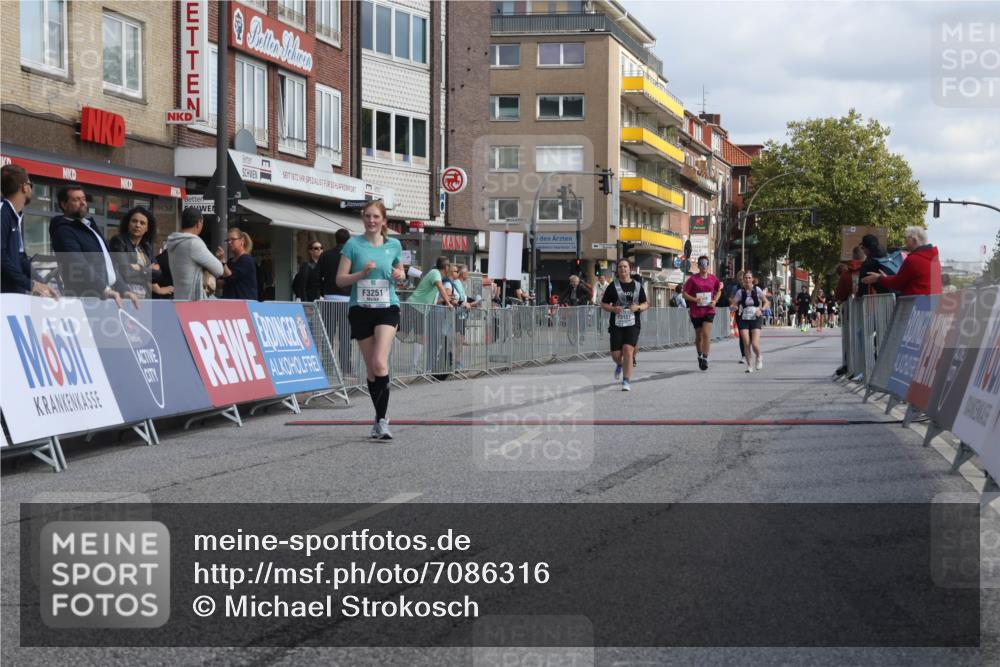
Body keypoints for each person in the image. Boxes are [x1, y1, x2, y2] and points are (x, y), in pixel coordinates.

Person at [336, 200, 405, 440]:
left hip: (387, 307)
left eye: (376, 217)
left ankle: (383, 421)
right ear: (363, 219)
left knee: (379, 362)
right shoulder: (352, 245)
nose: (371, 221)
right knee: (371, 369)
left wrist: (400, 274)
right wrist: (362, 274)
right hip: (361, 309)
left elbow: (401, 273)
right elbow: (340, 280)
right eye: (367, 216)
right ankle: (379, 419)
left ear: (384, 220)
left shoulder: (394, 245)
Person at [50, 184, 137, 307]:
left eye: (83, 199)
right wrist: (104, 289)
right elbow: (78, 264)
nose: (82, 203)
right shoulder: (63, 231)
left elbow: (109, 263)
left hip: (106, 296)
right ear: (64, 205)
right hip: (87, 299)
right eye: (76, 200)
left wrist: (123, 289)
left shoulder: (89, 226)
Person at [1, 164, 55, 296]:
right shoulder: (3, 212)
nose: (31, 189)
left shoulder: (14, 215)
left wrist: (41, 283)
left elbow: (20, 258)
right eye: (31, 185)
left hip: (13, 295)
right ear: (25, 187)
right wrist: (30, 284)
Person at [601, 258, 648, 391]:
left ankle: (626, 381)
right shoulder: (612, 286)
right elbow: (603, 304)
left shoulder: (637, 286)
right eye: (620, 267)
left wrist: (638, 307)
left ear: (630, 269)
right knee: (616, 355)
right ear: (618, 270)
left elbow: (646, 303)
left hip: (633, 323)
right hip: (616, 323)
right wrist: (613, 309)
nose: (623, 269)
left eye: (625, 267)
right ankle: (620, 365)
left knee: (627, 349)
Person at [860, 226, 942, 296]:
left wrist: (879, 278)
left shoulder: (913, 260)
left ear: (914, 240)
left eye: (906, 238)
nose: (905, 242)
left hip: (914, 306)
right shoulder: (935, 260)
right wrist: (886, 278)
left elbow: (897, 283)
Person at [166, 207, 225, 301]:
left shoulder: (173, 242)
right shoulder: (193, 243)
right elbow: (219, 270)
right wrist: (220, 259)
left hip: (179, 299)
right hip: (194, 302)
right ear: (199, 223)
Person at [405, 256, 454, 369]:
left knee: (420, 338)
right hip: (414, 306)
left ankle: (414, 365)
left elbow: (435, 295)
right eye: (449, 266)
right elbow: (440, 287)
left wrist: (446, 301)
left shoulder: (436, 274)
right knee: (401, 335)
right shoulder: (435, 273)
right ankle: (386, 356)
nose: (450, 269)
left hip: (421, 309)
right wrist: (448, 302)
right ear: (446, 267)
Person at [682, 256, 723, 370]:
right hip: (696, 311)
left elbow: (719, 290)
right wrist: (695, 299)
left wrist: (715, 301)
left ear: (708, 265)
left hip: (709, 310)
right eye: (701, 264)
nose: (704, 267)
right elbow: (684, 294)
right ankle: (699, 355)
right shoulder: (693, 279)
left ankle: (705, 358)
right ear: (699, 266)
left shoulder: (713, 279)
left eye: (705, 264)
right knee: (699, 336)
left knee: (706, 334)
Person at [109, 206, 159, 300]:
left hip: (145, 298)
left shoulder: (146, 247)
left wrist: (140, 268)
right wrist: (148, 270)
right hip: (124, 296)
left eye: (142, 223)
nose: (137, 225)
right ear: (128, 223)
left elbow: (158, 274)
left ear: (147, 228)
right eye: (134, 221)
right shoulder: (119, 241)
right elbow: (125, 272)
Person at [730, 270, 768, 372]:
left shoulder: (757, 290)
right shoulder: (740, 292)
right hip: (744, 318)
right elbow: (733, 304)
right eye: (745, 278)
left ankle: (759, 356)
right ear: (743, 280)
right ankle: (749, 366)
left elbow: (766, 302)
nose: (747, 280)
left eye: (749, 278)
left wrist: (761, 310)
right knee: (746, 343)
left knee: (755, 343)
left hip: (755, 317)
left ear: (752, 279)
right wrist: (734, 307)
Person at [218, 227, 258, 300]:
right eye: (228, 240)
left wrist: (222, 261)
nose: (229, 242)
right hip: (230, 304)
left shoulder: (246, 260)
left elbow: (230, 278)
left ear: (242, 241)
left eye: (233, 239)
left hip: (244, 305)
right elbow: (219, 282)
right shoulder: (230, 261)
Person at [318, 228, 352, 301]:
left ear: (336, 239)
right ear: (348, 240)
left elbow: (317, 276)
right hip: (348, 296)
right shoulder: (352, 255)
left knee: (329, 313)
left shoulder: (325, 255)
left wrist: (322, 291)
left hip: (329, 295)